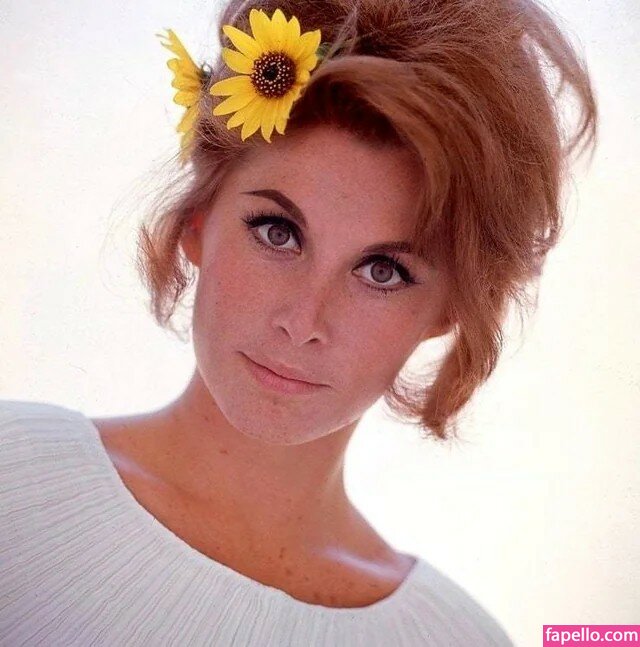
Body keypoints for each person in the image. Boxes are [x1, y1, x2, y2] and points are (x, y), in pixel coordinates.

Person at [0, 0, 597, 644]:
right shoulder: (13, 479)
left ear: (449, 312)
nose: (303, 321)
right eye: (277, 232)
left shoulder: (454, 639)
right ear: (198, 221)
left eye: (382, 271)